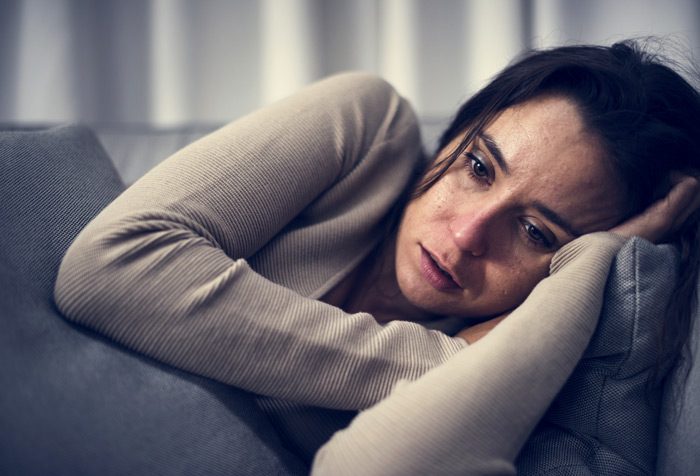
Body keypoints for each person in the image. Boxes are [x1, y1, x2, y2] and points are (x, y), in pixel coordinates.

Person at [54, 40, 700, 474]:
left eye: (536, 234)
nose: (469, 232)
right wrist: (448, 362)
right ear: (458, 131)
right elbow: (107, 268)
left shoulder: (525, 372)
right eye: (477, 166)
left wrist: (598, 264)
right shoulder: (367, 131)